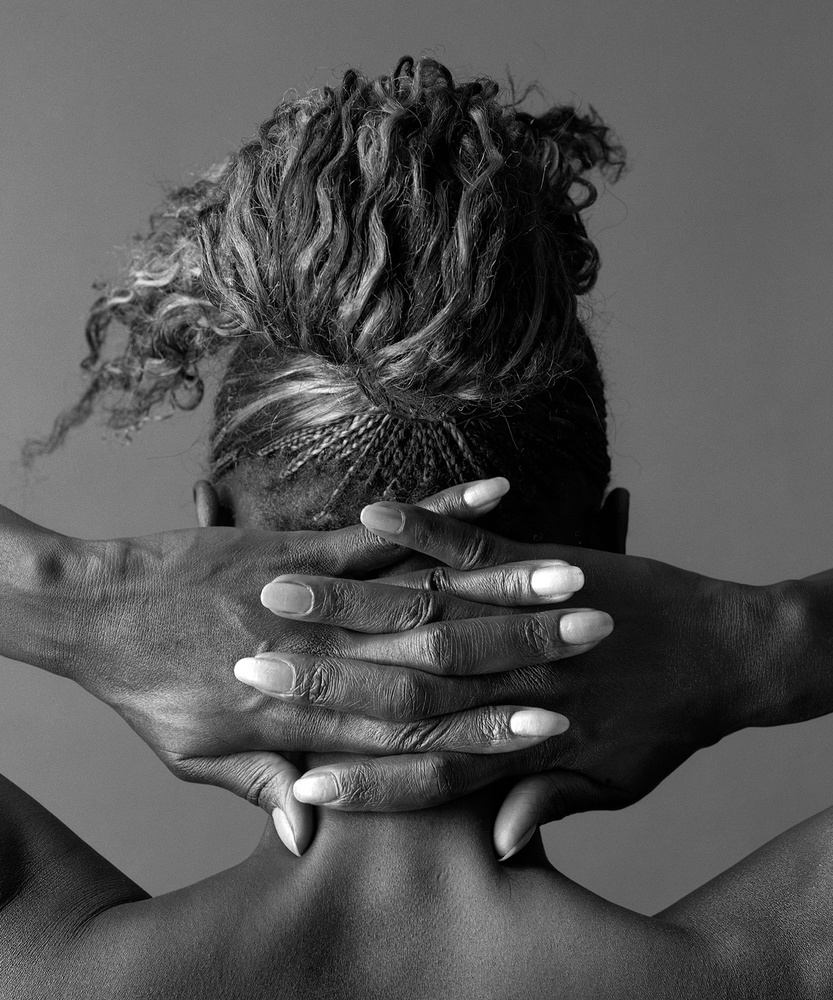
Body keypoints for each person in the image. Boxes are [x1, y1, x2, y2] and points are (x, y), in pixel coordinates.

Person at [3, 56, 833, 997]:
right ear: (610, 545)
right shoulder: (779, 965)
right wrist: (764, 639)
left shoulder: (45, 964)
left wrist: (72, 598)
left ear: (209, 529)